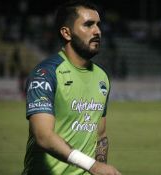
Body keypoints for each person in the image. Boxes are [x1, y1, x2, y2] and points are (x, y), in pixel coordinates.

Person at [21, 1, 121, 175]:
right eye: (88, 25)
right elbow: (43, 136)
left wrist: (99, 167)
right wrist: (93, 166)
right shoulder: (46, 73)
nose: (97, 31)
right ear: (66, 33)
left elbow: (101, 135)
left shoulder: (102, 77)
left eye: (98, 25)